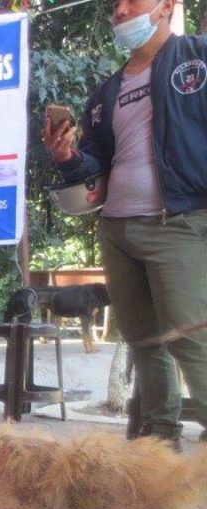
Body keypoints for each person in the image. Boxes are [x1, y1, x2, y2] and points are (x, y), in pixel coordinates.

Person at [42, 0, 207, 447]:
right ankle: (159, 450)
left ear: (166, 7)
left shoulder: (198, 57)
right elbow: (95, 163)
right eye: (115, 4)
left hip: (179, 223)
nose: (120, 9)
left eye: (131, 0)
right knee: (144, 342)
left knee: (191, 341)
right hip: (116, 228)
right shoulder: (106, 92)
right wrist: (67, 155)